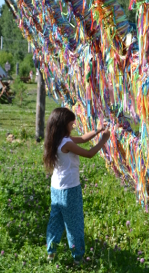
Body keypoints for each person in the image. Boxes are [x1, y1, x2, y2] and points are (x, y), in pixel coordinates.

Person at [43, 108, 110, 264]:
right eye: (71, 123)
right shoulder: (66, 142)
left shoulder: (56, 139)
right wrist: (103, 140)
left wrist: (98, 130)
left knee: (56, 220)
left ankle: (51, 253)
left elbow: (83, 138)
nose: (73, 125)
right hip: (69, 189)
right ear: (63, 124)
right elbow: (89, 153)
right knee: (74, 223)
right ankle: (78, 258)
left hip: (56, 188)